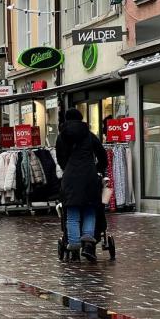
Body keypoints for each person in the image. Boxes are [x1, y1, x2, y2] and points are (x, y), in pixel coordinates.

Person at [56, 108, 108, 260]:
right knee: (89, 210)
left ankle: (73, 245)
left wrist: (68, 169)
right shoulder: (90, 135)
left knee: (72, 214)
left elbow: (60, 159)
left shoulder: (61, 137)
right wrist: (97, 168)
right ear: (81, 118)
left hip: (70, 178)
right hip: (89, 177)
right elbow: (102, 155)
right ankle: (88, 245)